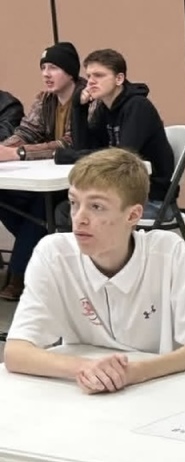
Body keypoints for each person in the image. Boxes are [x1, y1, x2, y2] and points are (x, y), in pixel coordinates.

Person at [3, 148, 185, 462]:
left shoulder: (167, 252)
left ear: (132, 215)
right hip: (86, 398)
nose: (79, 217)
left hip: (157, 398)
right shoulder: (54, 252)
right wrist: (79, 368)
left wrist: (138, 371)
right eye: (74, 202)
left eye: (97, 207)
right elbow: (17, 351)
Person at [0, 42, 82, 301]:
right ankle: (34, 254)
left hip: (79, 179)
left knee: (39, 204)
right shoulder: (44, 99)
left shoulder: (85, 99)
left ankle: (19, 273)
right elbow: (26, 132)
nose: (46, 73)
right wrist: (4, 148)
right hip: (49, 176)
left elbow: (70, 143)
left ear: (70, 72)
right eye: (43, 67)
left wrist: (20, 153)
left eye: (54, 67)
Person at [54, 49, 176, 217]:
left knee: (68, 213)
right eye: (89, 76)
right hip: (118, 190)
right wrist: (78, 108)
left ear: (119, 79)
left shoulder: (138, 107)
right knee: (58, 207)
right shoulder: (105, 109)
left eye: (99, 75)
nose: (90, 82)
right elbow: (83, 146)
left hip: (149, 198)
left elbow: (121, 156)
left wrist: (70, 156)